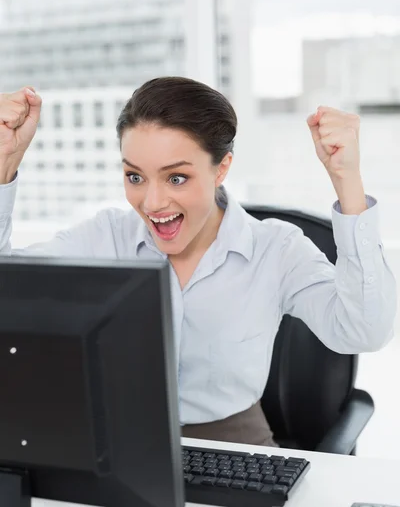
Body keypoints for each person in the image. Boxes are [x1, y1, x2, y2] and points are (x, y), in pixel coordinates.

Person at [0, 77, 397, 447]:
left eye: (176, 178)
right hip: (122, 445)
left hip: (237, 444)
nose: (152, 203)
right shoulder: (106, 237)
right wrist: (3, 164)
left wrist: (348, 182)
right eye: (135, 177)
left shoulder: (276, 248)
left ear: (221, 168)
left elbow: (363, 330)